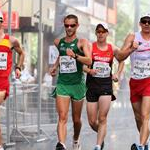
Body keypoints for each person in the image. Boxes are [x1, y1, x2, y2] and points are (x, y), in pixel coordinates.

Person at [50, 14, 92, 150]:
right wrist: (55, 66)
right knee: (62, 117)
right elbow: (61, 56)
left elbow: (89, 61)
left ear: (77, 26)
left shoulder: (82, 42)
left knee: (76, 120)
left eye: (72, 25)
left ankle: (75, 139)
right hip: (63, 84)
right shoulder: (58, 42)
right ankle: (61, 144)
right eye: (66, 25)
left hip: (77, 84)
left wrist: (74, 55)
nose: (69, 28)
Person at [84, 23, 124, 150]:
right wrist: (89, 71)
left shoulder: (112, 49)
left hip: (106, 86)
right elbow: (83, 64)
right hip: (91, 86)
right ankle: (102, 134)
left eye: (103, 31)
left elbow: (122, 60)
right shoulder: (90, 47)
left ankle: (98, 145)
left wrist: (117, 73)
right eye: (98, 31)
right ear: (96, 33)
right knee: (92, 121)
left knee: (102, 118)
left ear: (107, 33)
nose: (101, 34)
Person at [114, 13, 150, 150]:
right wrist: (132, 48)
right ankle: (145, 143)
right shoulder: (133, 37)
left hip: (148, 80)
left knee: (145, 115)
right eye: (144, 21)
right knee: (138, 117)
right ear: (140, 24)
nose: (147, 24)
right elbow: (120, 57)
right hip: (135, 81)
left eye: (149, 21)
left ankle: (140, 146)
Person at [0, 11, 25, 150]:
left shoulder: (11, 40)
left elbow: (22, 53)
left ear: (1, 22)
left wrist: (18, 67)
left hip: (2, 82)